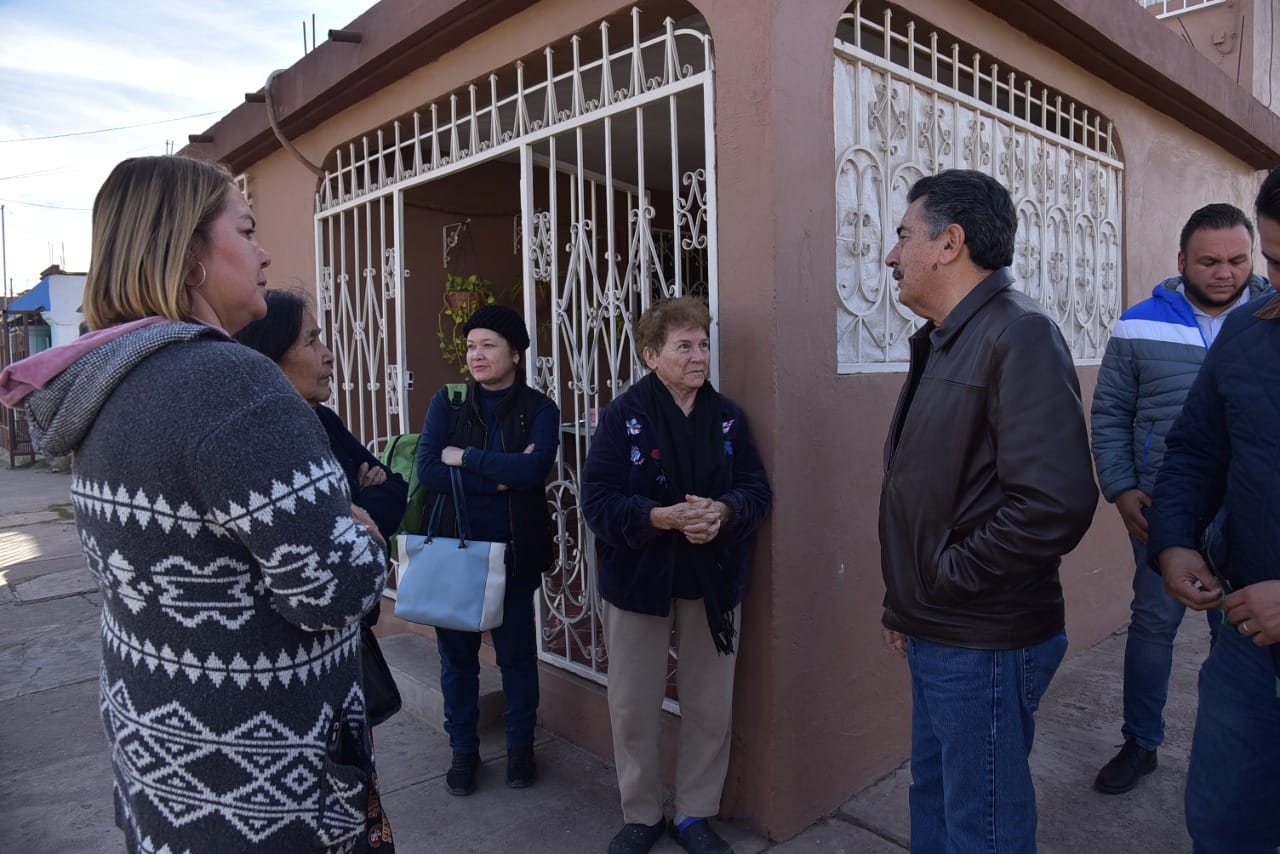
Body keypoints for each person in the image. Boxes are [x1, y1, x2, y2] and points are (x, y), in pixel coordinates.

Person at [0, 156, 389, 853]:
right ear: (189, 253)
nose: (266, 252)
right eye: (246, 229)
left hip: (162, 763)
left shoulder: (109, 379)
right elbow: (331, 590)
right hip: (265, 791)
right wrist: (362, 532)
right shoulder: (230, 382)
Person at [878, 169, 1097, 853]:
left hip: (984, 637)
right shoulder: (950, 335)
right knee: (937, 796)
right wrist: (908, 601)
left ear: (950, 244)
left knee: (984, 822)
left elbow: (1054, 505)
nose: (891, 255)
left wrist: (942, 581)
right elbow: (935, 492)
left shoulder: (1019, 334)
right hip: (940, 625)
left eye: (904, 236)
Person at [581, 296, 772, 854]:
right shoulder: (624, 417)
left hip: (711, 582)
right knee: (633, 703)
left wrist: (724, 512)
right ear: (651, 355)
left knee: (710, 704)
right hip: (640, 580)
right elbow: (597, 500)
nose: (698, 356)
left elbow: (758, 492)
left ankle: (694, 814)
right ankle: (641, 814)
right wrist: (656, 517)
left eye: (704, 344)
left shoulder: (730, 418)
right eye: (683, 345)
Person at [1089, 203, 1267, 794]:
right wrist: (1119, 488)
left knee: (1239, 636)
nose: (1224, 272)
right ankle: (1141, 742)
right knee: (1152, 628)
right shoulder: (1139, 323)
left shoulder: (1268, 320)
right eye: (1209, 261)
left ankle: (1236, 751)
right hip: (1165, 514)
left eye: (1238, 260)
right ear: (1182, 261)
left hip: (1247, 517)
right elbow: (1111, 412)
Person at [1147, 165, 1280, 853]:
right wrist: (1174, 542)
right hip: (1247, 649)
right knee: (1226, 824)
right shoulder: (1250, 334)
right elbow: (1197, 452)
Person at [415, 303, 560, 796]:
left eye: (489, 345)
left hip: (515, 554)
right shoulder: (449, 402)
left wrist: (469, 459)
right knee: (457, 661)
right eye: (472, 345)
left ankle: (521, 748)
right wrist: (499, 477)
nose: (476, 355)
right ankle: (463, 752)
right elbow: (430, 470)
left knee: (517, 658)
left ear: (515, 353)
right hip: (457, 553)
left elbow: (531, 472)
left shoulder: (541, 409)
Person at [234, 289, 408, 544]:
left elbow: (395, 487)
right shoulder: (261, 440)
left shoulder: (323, 418)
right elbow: (322, 533)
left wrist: (358, 508)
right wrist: (357, 504)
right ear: (271, 357)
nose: (329, 355)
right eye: (311, 341)